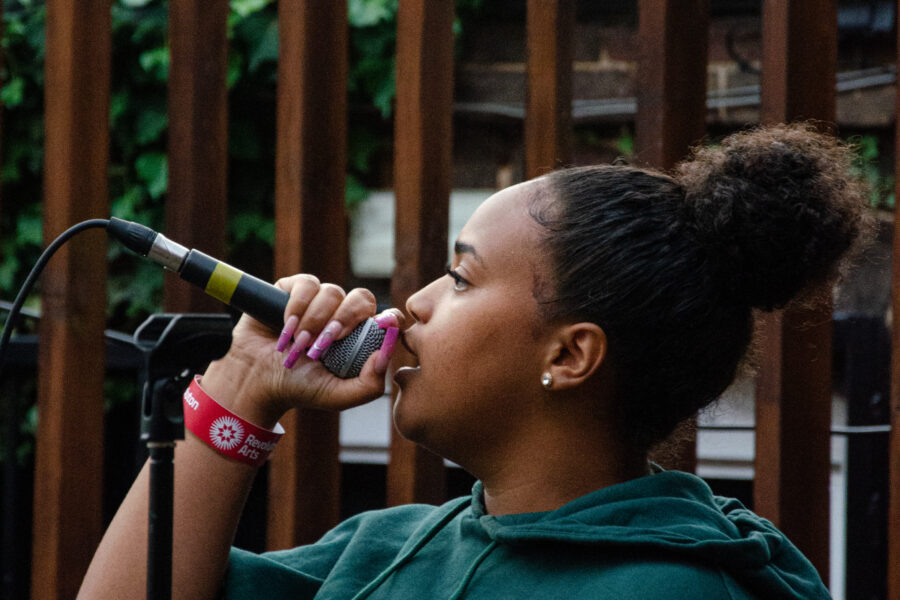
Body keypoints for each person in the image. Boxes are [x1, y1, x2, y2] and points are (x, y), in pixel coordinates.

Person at [79, 123, 868, 599]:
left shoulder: (683, 585)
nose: (412, 302)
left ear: (569, 354)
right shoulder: (384, 553)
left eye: (460, 278)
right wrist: (242, 388)